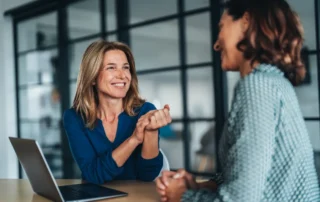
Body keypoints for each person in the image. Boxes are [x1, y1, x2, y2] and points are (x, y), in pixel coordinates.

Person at [156, 0, 320, 201]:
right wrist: (206, 186)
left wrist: (183, 195)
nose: (216, 44)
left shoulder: (257, 86)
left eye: (221, 27)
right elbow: (253, 175)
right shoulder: (274, 82)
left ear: (246, 21)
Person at [63, 40, 172, 184]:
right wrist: (133, 140)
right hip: (95, 197)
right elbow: (93, 175)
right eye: (111, 68)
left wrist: (151, 132)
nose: (122, 75)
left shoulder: (145, 111)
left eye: (126, 68)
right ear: (93, 77)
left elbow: (148, 174)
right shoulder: (74, 117)